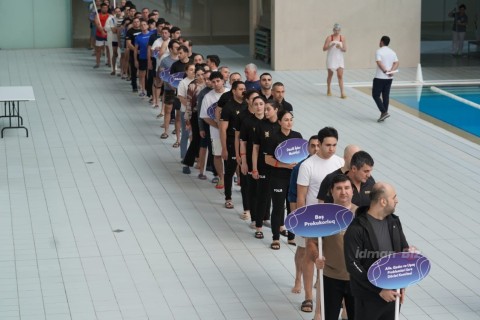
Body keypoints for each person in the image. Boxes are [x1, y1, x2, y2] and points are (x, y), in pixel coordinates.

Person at [344, 182, 411, 320]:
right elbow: (353, 264)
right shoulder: (356, 228)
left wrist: (402, 285)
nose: (397, 200)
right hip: (368, 297)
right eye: (394, 197)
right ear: (383, 201)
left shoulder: (394, 222)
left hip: (392, 293)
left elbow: (403, 252)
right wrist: (379, 290)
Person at [297, 127, 344, 312]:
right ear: (320, 144)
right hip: (313, 220)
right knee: (309, 256)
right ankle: (308, 297)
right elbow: (301, 195)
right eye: (328, 145)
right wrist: (301, 222)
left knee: (331, 257)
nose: (331, 149)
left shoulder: (340, 163)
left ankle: (330, 295)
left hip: (334, 221)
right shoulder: (308, 165)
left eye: (334, 145)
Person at [307, 174, 357, 320]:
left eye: (347, 188)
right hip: (331, 277)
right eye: (339, 188)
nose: (344, 192)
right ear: (331, 191)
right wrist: (316, 257)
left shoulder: (361, 215)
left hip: (356, 278)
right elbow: (311, 242)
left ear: (352, 190)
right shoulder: (323, 216)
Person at [265, 110, 302, 250]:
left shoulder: (297, 136)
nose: (289, 122)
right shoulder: (274, 138)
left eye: (291, 119)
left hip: (293, 178)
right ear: (279, 122)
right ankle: (275, 238)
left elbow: (302, 154)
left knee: (292, 208)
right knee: (278, 207)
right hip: (278, 177)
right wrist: (284, 165)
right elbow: (267, 159)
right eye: (286, 120)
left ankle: (292, 236)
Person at [287, 135, 320, 294]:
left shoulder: (331, 166)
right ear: (307, 148)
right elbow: (293, 195)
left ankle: (319, 279)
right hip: (304, 216)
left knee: (322, 251)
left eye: (317, 146)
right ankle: (298, 279)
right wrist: (296, 216)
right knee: (302, 249)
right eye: (312, 146)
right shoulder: (300, 167)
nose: (315, 149)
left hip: (322, 219)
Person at [199, 71, 230, 190]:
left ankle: (237, 176)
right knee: (217, 155)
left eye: (218, 81)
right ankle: (221, 177)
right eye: (214, 82)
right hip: (216, 132)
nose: (216, 84)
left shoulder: (229, 93)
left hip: (231, 131)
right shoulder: (208, 97)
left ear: (223, 81)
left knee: (233, 154)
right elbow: (205, 117)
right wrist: (220, 127)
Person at [219, 81, 247, 209]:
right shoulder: (228, 107)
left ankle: (247, 197)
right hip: (231, 142)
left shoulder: (248, 105)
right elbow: (223, 129)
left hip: (245, 143)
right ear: (234, 91)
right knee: (230, 171)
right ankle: (228, 197)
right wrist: (224, 148)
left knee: (245, 172)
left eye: (244, 89)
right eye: (240, 89)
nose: (243, 91)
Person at [182, 65, 207, 175]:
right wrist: (187, 118)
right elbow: (188, 103)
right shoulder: (192, 86)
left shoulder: (208, 84)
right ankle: (187, 163)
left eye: (202, 74)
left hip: (207, 116)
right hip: (196, 115)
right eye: (198, 75)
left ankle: (205, 164)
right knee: (196, 139)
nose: (201, 77)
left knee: (205, 141)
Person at [372, 36, 399, 122]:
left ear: (381, 41)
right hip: (389, 78)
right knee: (385, 96)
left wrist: (385, 71)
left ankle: (384, 112)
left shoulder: (379, 51)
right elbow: (397, 62)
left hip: (380, 77)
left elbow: (379, 62)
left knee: (375, 95)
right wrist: (391, 71)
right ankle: (384, 114)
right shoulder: (392, 52)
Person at [323, 23, 347, 98]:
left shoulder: (342, 38)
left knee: (340, 76)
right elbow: (324, 49)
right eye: (335, 30)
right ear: (333, 30)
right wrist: (330, 45)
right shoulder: (329, 38)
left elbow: (345, 49)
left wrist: (340, 47)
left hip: (339, 59)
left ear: (340, 30)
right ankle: (329, 88)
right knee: (330, 75)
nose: (336, 32)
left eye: (338, 30)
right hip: (331, 58)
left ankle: (342, 92)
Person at [93, 3, 110, 69]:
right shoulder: (97, 16)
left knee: (108, 49)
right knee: (98, 50)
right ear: (101, 8)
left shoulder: (109, 16)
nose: (105, 9)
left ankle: (109, 62)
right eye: (104, 8)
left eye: (106, 8)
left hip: (108, 35)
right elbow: (97, 24)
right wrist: (102, 31)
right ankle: (97, 63)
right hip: (99, 35)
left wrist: (105, 30)